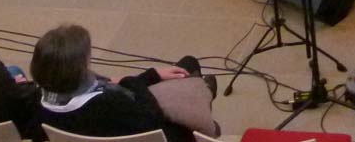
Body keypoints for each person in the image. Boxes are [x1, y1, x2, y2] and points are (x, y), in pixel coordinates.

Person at [32, 23, 217, 142]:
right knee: (189, 65)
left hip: (108, 130)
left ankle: (205, 88)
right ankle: (207, 98)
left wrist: (151, 75)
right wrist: (134, 82)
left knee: (187, 66)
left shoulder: (36, 99)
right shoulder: (109, 103)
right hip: (155, 133)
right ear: (78, 67)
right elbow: (153, 120)